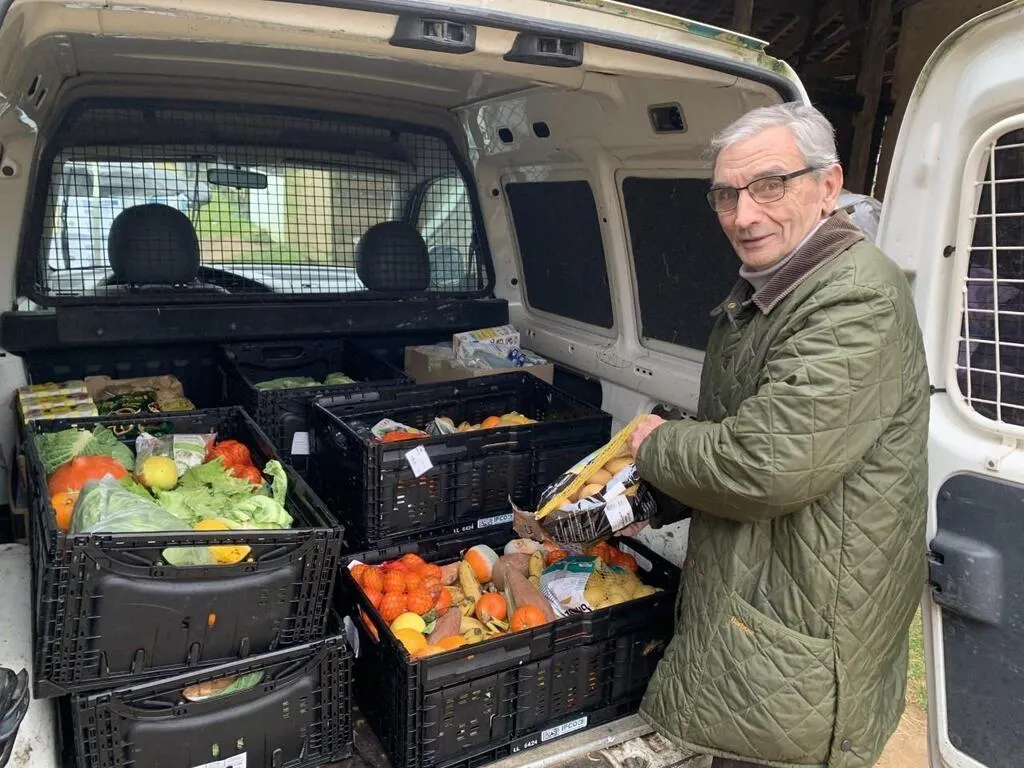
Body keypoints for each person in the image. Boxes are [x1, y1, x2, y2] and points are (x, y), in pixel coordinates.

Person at [625, 102, 929, 768]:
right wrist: (657, 495)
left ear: (827, 185)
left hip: (808, 614)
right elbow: (751, 425)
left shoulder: (854, 298)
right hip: (766, 587)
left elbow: (765, 466)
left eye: (769, 185)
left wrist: (655, 447)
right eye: (726, 195)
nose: (743, 215)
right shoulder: (774, 286)